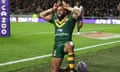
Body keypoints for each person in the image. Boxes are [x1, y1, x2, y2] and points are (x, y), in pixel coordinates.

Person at [40, 0, 80, 72]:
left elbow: (78, 12)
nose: (59, 11)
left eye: (61, 10)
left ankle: (71, 70)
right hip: (57, 46)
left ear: (65, 11)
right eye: (58, 10)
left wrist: (68, 8)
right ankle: (66, 70)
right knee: (55, 70)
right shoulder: (54, 19)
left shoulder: (71, 18)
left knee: (70, 45)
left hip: (66, 44)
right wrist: (52, 9)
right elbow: (41, 15)